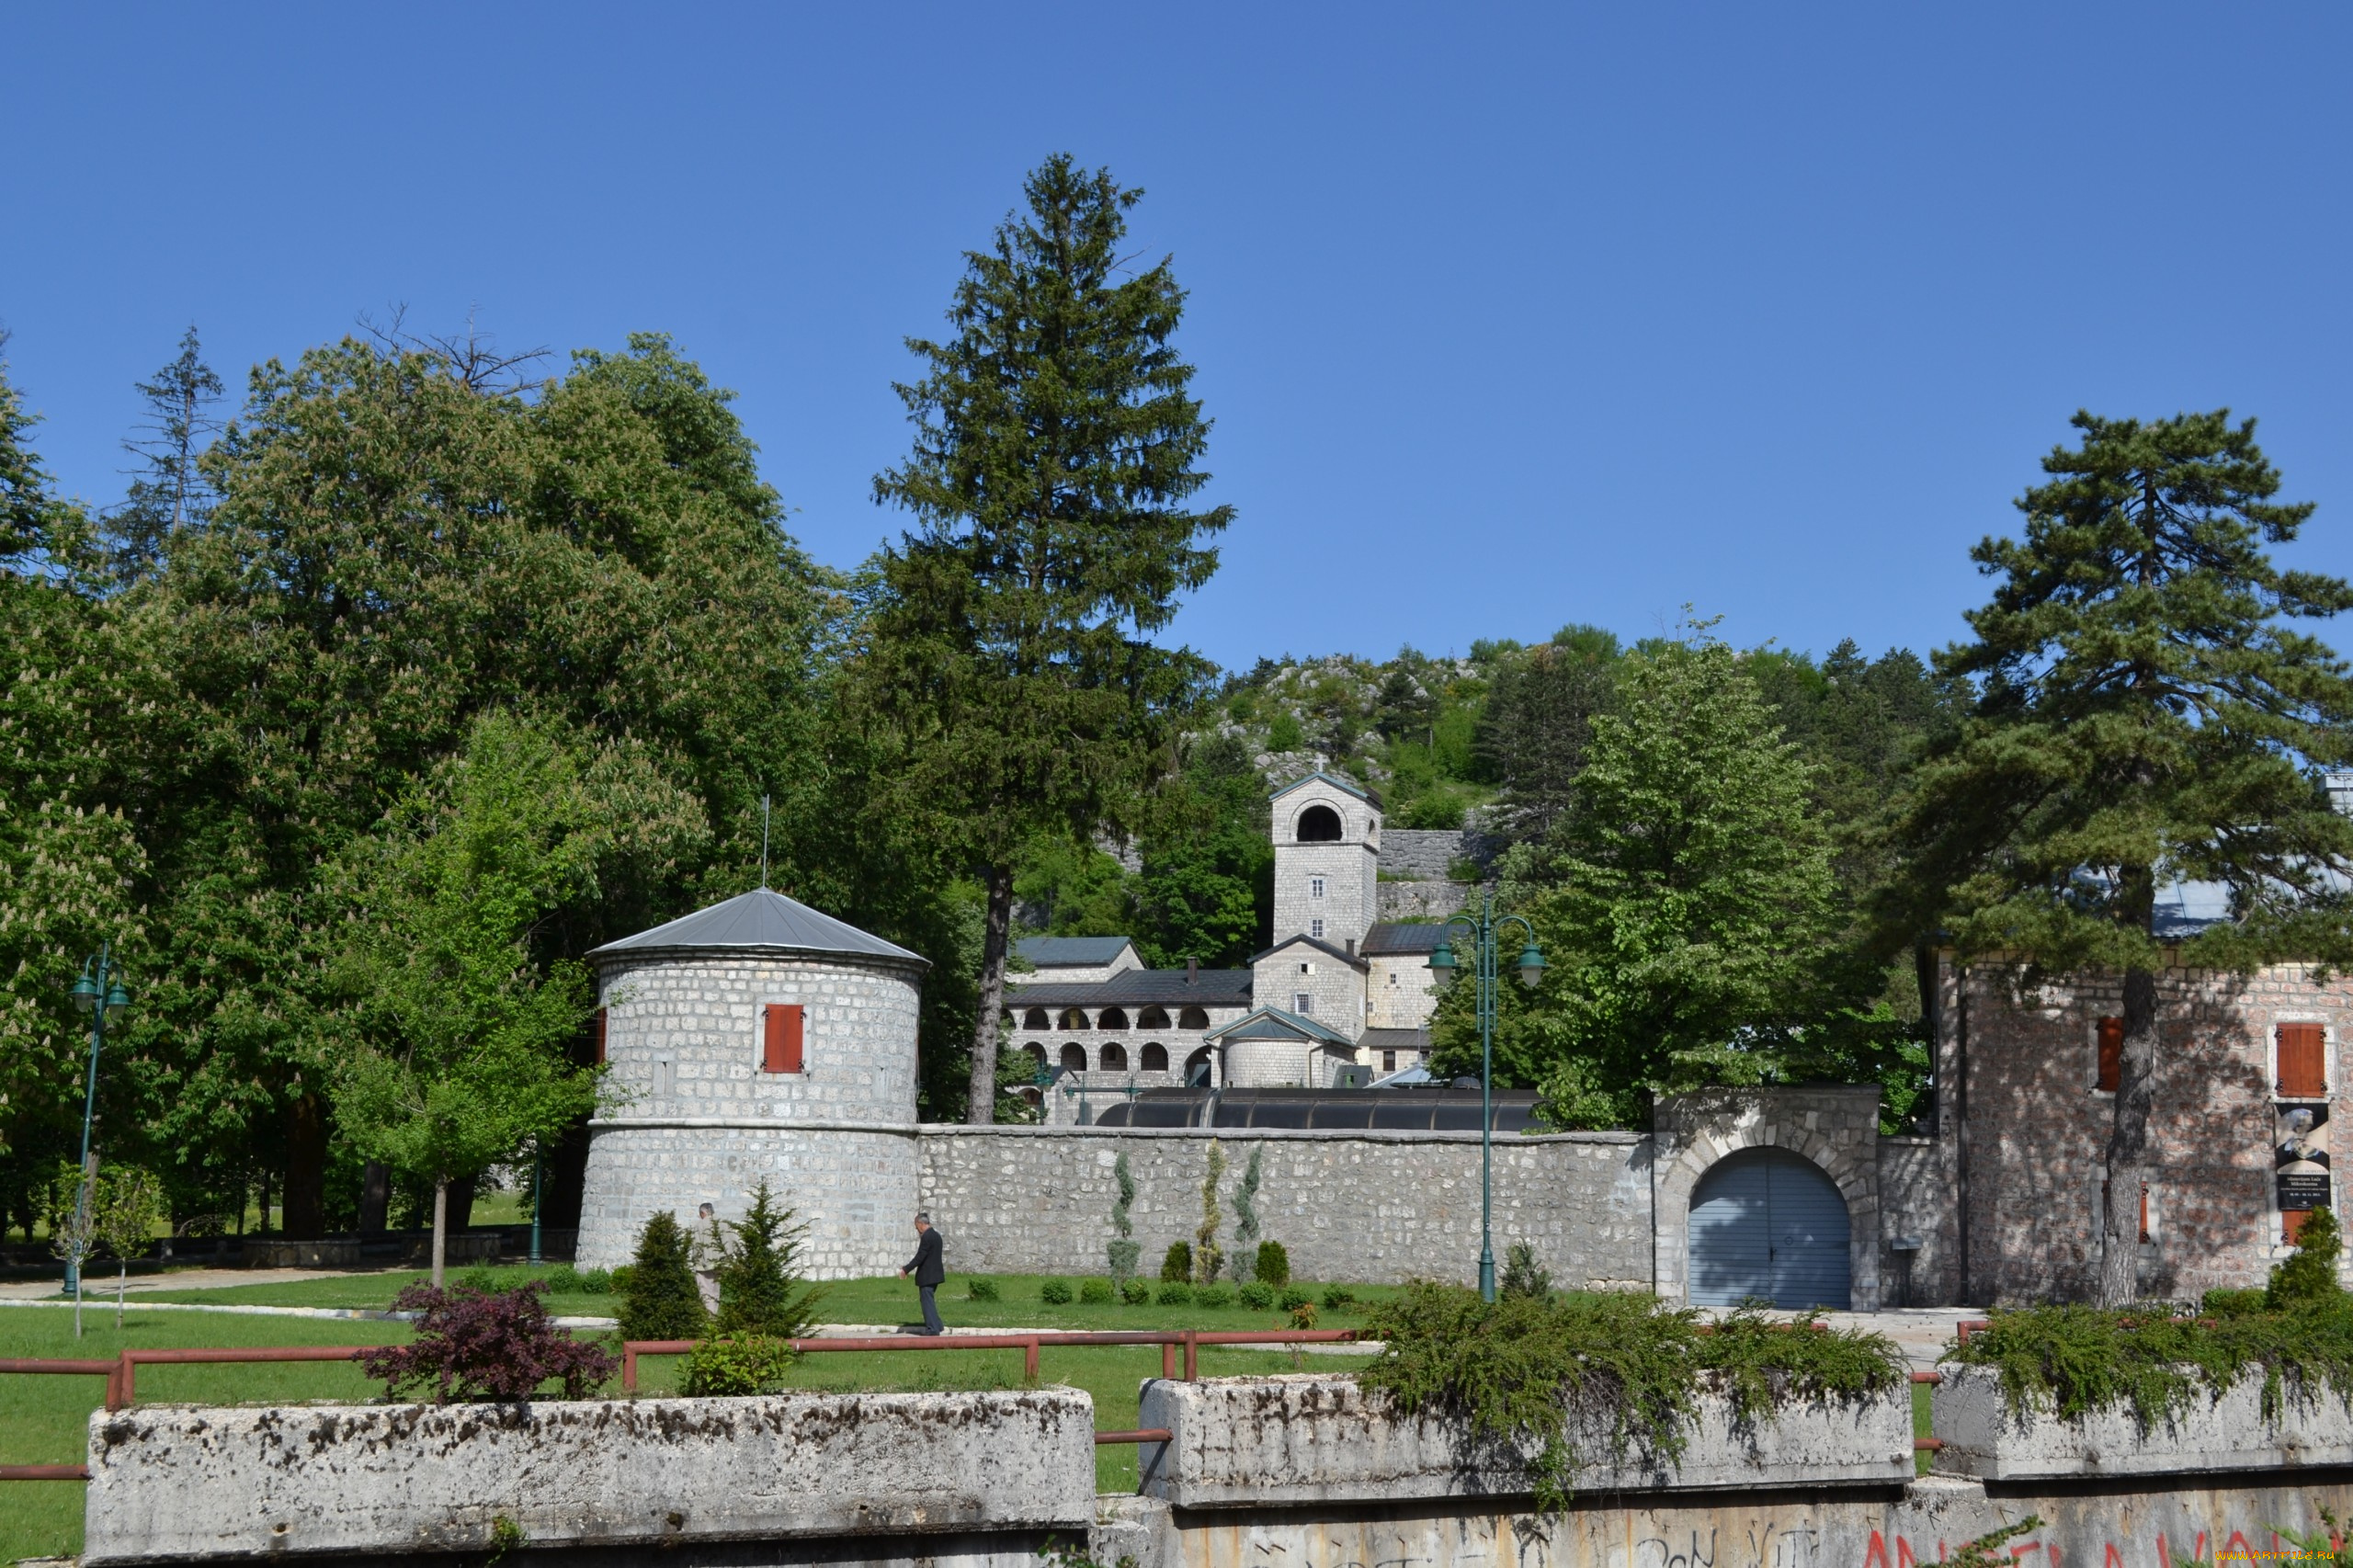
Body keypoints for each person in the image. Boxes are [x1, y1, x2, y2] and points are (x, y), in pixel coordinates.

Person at [900, 1212, 945, 1335]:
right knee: (929, 1300)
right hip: (935, 1275)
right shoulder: (936, 1235)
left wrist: (906, 1269)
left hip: (928, 1275)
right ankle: (938, 1325)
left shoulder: (927, 1237)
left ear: (921, 1224)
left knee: (927, 1302)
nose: (916, 1229)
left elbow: (920, 1257)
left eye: (916, 1226)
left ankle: (933, 1329)